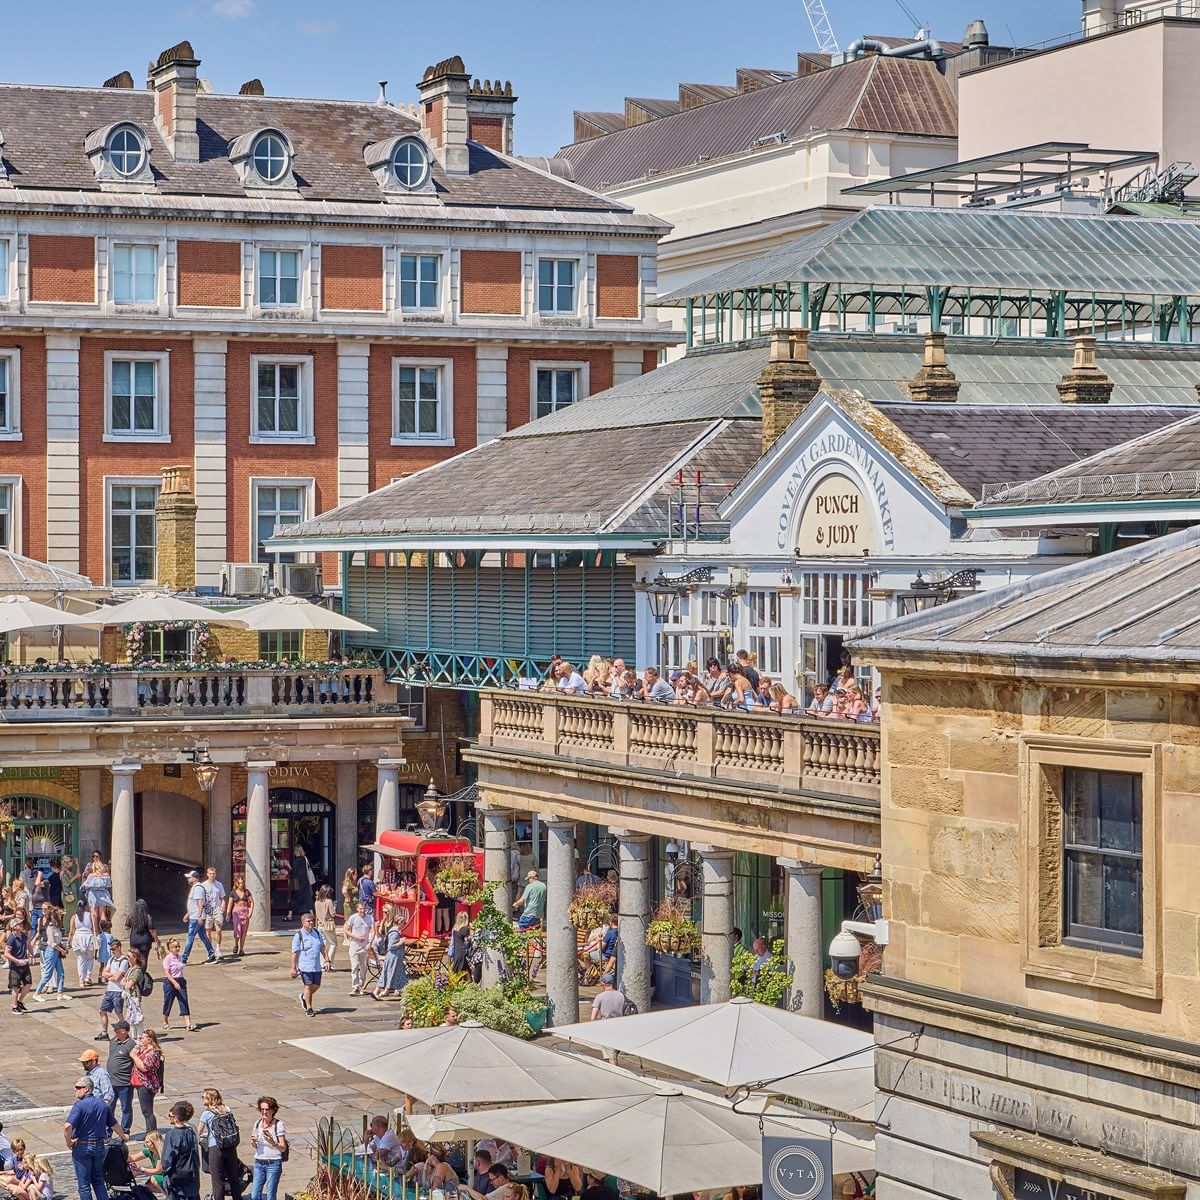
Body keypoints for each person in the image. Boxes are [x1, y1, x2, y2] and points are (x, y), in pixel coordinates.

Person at [64, 1073, 125, 1200]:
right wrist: (123, 1136)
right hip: (99, 1146)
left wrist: (68, 1142)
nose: (75, 1090)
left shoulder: (79, 1105)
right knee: (98, 1180)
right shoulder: (102, 1104)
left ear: (87, 1089)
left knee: (84, 1184)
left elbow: (67, 1126)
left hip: (82, 1146)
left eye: (78, 1087)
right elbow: (114, 1124)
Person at [198, 1088, 243, 1200]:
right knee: (234, 1177)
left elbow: (198, 1131)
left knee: (218, 1180)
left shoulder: (206, 1113)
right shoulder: (227, 1109)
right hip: (230, 1146)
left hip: (216, 1148)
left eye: (204, 1097)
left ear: (210, 1099)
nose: (202, 1099)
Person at [290, 911, 331, 1016]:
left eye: (312, 921)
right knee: (308, 986)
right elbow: (295, 953)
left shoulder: (316, 933)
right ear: (303, 923)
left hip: (316, 966)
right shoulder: (299, 935)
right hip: (305, 966)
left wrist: (327, 960)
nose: (311, 923)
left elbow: (322, 947)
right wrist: (293, 968)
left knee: (316, 985)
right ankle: (309, 1008)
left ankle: (304, 996)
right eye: (308, 921)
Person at [159, 1101, 200, 1200]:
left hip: (176, 1178)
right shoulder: (192, 1131)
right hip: (191, 1175)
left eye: (170, 1115)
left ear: (176, 1118)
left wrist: (164, 1172)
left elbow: (166, 1160)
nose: (169, 1117)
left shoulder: (171, 1135)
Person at [249, 1098, 286, 1200]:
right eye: (262, 1109)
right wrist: (253, 1142)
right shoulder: (257, 1123)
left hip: (273, 1163)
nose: (264, 1112)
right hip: (259, 1162)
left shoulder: (278, 1124)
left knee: (270, 1195)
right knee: (255, 1195)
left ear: (273, 1110)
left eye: (267, 1109)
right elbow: (256, 1146)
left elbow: (283, 1148)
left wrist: (273, 1142)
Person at [371, 906, 409, 1000]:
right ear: (399, 923)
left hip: (396, 958)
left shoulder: (395, 932)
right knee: (388, 974)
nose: (404, 925)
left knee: (400, 974)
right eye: (403, 923)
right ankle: (376, 991)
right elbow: (391, 946)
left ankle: (405, 991)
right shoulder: (394, 933)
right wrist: (401, 941)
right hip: (393, 957)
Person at [130, 1030, 164, 1135]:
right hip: (140, 1083)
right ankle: (150, 1131)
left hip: (146, 1084)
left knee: (147, 1110)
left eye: (143, 1038)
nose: (141, 1040)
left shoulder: (153, 1053)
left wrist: (134, 1057)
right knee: (145, 1110)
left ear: (149, 1039)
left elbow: (145, 1067)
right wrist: (137, 1048)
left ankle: (151, 1132)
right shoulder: (145, 1050)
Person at [107, 1020, 137, 1135]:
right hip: (111, 1082)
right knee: (109, 1108)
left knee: (126, 1108)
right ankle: (108, 1131)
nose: (114, 1031)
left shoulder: (131, 1045)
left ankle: (125, 1130)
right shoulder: (113, 1041)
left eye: (117, 1030)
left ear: (124, 1031)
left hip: (125, 1083)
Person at [97, 936, 130, 1040]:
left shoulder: (124, 960)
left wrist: (110, 976)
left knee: (118, 1012)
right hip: (109, 990)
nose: (112, 951)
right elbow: (104, 973)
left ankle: (123, 1032)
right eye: (111, 949)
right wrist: (112, 975)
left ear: (119, 947)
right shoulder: (111, 959)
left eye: (114, 949)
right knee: (102, 1010)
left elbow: (117, 977)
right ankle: (104, 1032)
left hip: (118, 991)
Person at [181, 872, 216, 966]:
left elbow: (200, 903)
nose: (188, 879)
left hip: (196, 918)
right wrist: (188, 914)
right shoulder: (196, 888)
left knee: (190, 937)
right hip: (195, 916)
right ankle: (212, 955)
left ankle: (184, 958)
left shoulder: (198, 888)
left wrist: (199, 916)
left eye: (189, 877)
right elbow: (194, 904)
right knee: (203, 936)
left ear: (195, 878)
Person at [161, 938, 195, 1032]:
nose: (178, 948)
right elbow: (167, 973)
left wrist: (180, 981)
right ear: (170, 948)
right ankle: (165, 1021)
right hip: (170, 982)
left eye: (178, 946)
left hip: (180, 980)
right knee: (168, 1001)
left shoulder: (180, 957)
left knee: (184, 1001)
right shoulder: (167, 959)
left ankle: (188, 1023)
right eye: (175, 947)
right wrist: (174, 983)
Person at [32, 907, 66, 1000]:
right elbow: (52, 943)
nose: (61, 918)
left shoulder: (56, 927)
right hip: (51, 951)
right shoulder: (50, 927)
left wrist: (64, 947)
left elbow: (58, 940)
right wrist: (62, 950)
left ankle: (60, 993)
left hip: (56, 951)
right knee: (48, 973)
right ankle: (37, 993)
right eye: (60, 916)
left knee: (61, 973)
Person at [343, 901, 373, 996]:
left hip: (365, 946)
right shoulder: (353, 918)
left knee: (363, 967)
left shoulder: (369, 918)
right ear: (357, 909)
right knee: (355, 966)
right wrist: (356, 937)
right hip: (355, 945)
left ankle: (361, 985)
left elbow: (373, 930)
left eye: (364, 909)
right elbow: (347, 930)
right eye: (360, 909)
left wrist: (370, 942)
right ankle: (355, 986)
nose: (362, 911)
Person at [5, 916, 32, 1015]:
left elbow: (27, 946)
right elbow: (6, 953)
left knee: (28, 984)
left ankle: (19, 1001)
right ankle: (14, 1006)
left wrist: (31, 954)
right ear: (14, 927)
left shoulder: (23, 936)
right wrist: (17, 961)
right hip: (15, 967)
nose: (21, 925)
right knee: (15, 987)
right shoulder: (11, 938)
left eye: (21, 924)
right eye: (19, 924)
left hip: (24, 964)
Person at [81, 854, 113, 933]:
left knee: (94, 913)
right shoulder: (106, 876)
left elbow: (84, 886)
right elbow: (109, 885)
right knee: (102, 914)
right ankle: (104, 930)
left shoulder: (91, 875)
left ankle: (95, 930)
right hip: (103, 893)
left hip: (93, 894)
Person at [69, 903, 98, 987]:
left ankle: (81, 980)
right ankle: (88, 977)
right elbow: (95, 929)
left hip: (78, 937)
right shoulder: (91, 915)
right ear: (86, 906)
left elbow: (71, 931)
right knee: (90, 958)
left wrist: (69, 942)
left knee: (80, 959)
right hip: (89, 936)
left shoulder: (74, 916)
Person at [201, 868, 227, 962]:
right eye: (211, 874)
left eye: (214, 873)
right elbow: (201, 899)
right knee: (208, 931)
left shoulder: (219, 884)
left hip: (217, 910)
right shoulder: (203, 885)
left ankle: (218, 949)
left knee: (218, 929)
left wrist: (223, 904)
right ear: (207, 874)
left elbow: (222, 897)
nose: (212, 875)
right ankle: (210, 950)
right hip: (208, 911)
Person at [226, 877, 253, 958]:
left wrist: (250, 912)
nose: (241, 885)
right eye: (240, 883)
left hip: (245, 912)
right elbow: (230, 903)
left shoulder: (247, 892)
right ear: (237, 884)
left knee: (244, 931)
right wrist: (228, 914)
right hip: (236, 912)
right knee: (237, 929)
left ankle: (241, 949)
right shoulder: (233, 893)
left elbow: (252, 902)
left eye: (242, 883)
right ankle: (236, 944)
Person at [288, 847, 314, 923]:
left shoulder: (296, 860)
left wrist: (288, 865)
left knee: (293, 897)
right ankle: (312, 913)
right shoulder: (304, 859)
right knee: (307, 897)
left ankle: (290, 915)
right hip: (305, 881)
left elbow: (293, 871)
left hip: (295, 881)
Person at [314, 886, 338, 968]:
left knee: (323, 944)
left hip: (320, 925)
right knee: (333, 944)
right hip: (328, 924)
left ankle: (322, 963)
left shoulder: (316, 902)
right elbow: (332, 914)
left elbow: (316, 915)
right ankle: (329, 962)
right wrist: (334, 907)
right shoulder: (329, 901)